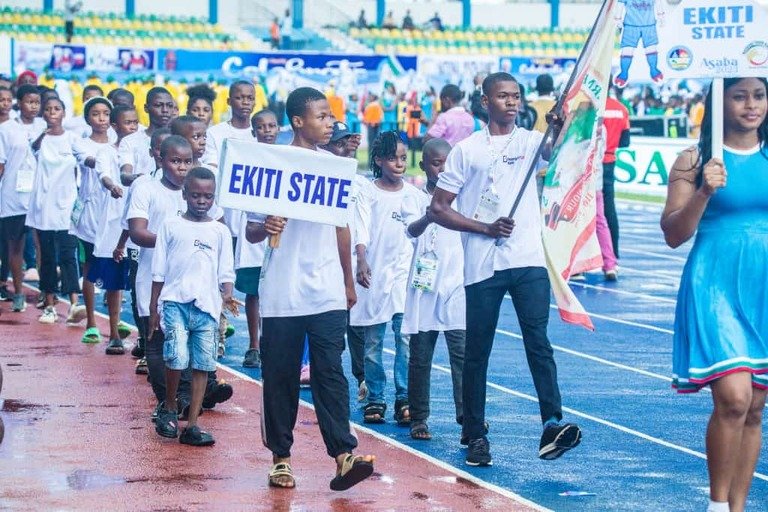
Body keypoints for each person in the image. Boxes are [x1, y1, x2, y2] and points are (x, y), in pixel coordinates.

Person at [429, 72, 582, 466]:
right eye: (503, 96)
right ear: (485, 102)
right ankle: (475, 433)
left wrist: (558, 128)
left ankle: (552, 422)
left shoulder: (532, 143)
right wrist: (485, 228)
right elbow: (439, 209)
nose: (512, 102)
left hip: (527, 259)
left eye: (516, 96)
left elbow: (560, 150)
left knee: (539, 341)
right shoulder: (467, 150)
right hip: (483, 265)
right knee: (478, 352)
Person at [244, 87, 375, 491]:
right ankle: (281, 458)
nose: (331, 123)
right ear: (298, 121)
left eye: (331, 115)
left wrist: (348, 281)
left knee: (330, 373)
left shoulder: (336, 168)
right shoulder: (271, 163)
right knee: (280, 375)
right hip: (283, 291)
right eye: (321, 116)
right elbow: (249, 230)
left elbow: (342, 227)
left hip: (327, 292)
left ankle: (343, 455)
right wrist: (264, 226)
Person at [661, 77, 768, 512]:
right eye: (739, 95)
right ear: (720, 101)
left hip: (763, 283)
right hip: (714, 283)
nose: (750, 105)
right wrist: (704, 190)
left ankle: (739, 507)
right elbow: (673, 234)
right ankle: (717, 506)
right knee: (734, 397)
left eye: (759, 95)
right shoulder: (694, 159)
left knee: (756, 405)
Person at [150, 166, 237, 446]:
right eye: (196, 195)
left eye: (208, 196)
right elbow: (158, 272)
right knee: (175, 356)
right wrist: (154, 308)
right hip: (175, 301)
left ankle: (193, 424)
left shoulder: (220, 231)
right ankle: (171, 406)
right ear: (185, 195)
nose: (202, 201)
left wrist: (226, 294)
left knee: (203, 363)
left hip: (207, 307)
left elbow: (226, 271)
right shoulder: (170, 226)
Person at [352, 131, 420, 425]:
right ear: (378, 160)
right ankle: (376, 397)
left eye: (403, 158)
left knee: (405, 339)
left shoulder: (416, 196)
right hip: (374, 277)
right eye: (392, 158)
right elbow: (361, 226)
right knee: (373, 342)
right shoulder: (367, 192)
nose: (399, 163)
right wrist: (362, 259)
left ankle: (405, 397)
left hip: (404, 279)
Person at [403, 138, 466, 441]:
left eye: (446, 164)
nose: (441, 170)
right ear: (423, 165)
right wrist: (429, 215)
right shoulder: (413, 198)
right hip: (424, 288)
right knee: (420, 356)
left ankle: (468, 416)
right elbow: (410, 231)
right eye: (435, 163)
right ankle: (419, 417)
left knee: (462, 354)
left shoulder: (464, 198)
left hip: (457, 285)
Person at [26, 96, 86, 324]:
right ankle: (49, 305)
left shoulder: (73, 139)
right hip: (44, 208)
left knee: (69, 256)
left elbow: (85, 159)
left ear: (64, 112)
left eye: (57, 109)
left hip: (67, 206)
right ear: (43, 114)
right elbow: (33, 149)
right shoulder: (38, 138)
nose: (52, 112)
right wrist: (46, 131)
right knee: (49, 258)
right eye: (48, 109)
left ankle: (74, 303)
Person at [89, 104, 138, 353]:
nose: (132, 127)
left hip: (139, 221)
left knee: (141, 279)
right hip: (114, 221)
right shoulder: (106, 151)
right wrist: (113, 186)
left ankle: (145, 338)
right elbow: (104, 175)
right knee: (114, 281)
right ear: (115, 126)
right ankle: (114, 331)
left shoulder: (142, 148)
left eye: (135, 122)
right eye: (127, 123)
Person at [235, 109, 278, 369]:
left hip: (280, 231)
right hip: (254, 229)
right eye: (262, 127)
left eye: (272, 126)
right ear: (254, 132)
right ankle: (254, 344)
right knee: (253, 291)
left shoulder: (288, 157)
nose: (268, 131)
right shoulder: (247, 158)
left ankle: (272, 343)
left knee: (275, 290)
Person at [69, 96, 113, 343]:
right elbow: (90, 162)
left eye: (106, 114)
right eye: (96, 114)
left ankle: (115, 325)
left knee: (113, 269)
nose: (102, 119)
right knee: (89, 269)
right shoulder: (81, 143)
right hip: (89, 216)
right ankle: (92, 322)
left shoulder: (119, 143)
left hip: (112, 217)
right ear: (88, 118)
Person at [0, 85, 45, 313]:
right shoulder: (7, 128)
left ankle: (46, 294)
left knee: (42, 246)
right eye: (28, 101)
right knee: (14, 246)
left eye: (37, 102)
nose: (33, 106)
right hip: (13, 196)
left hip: (39, 195)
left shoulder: (46, 126)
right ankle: (18, 292)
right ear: (21, 102)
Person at [602, 85, 631, 265]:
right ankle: (613, 254)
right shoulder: (621, 108)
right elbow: (625, 141)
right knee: (609, 209)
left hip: (590, 164)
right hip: (610, 161)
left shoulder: (591, 106)